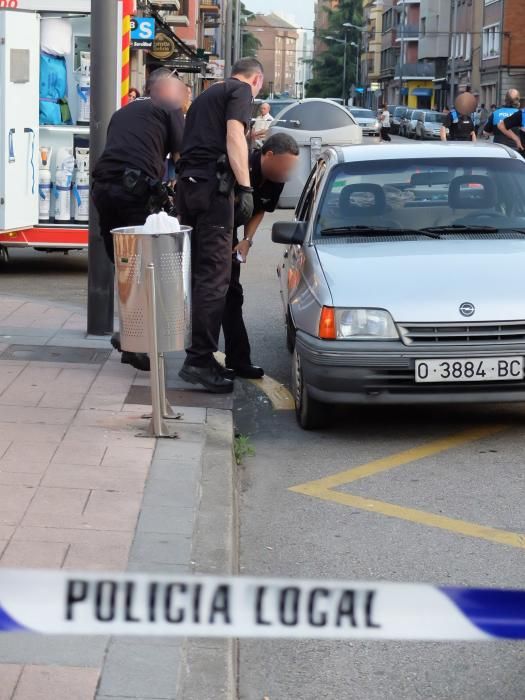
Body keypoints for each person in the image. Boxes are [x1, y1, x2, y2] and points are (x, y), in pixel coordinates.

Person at [176, 57, 264, 394]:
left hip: (190, 188)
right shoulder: (240, 90)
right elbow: (234, 136)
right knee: (215, 277)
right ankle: (198, 359)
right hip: (213, 189)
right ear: (256, 79)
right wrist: (245, 186)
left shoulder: (205, 96)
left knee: (201, 276)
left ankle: (203, 355)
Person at [91, 68, 186, 370]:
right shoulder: (168, 109)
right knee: (146, 266)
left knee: (124, 265)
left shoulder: (124, 111)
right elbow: (183, 155)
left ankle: (129, 335)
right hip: (135, 190)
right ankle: (137, 344)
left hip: (103, 189)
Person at [222, 133, 299, 378]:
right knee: (215, 294)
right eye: (285, 165)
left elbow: (261, 209)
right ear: (268, 155)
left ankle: (238, 360)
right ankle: (203, 359)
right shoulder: (240, 164)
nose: (288, 172)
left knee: (232, 295)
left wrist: (247, 241)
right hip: (212, 229)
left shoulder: (277, 178)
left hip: (231, 234)